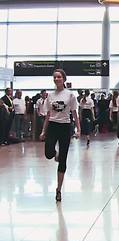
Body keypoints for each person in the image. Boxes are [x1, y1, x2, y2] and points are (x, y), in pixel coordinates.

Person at [39, 69, 81, 202]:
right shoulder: (50, 96)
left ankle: (58, 189)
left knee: (63, 160)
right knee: (48, 153)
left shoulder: (70, 95)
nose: (57, 79)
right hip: (52, 126)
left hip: (65, 127)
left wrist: (78, 129)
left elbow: (74, 113)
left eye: (59, 77)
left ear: (64, 79)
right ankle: (55, 154)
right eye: (55, 77)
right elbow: (48, 115)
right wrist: (43, 131)